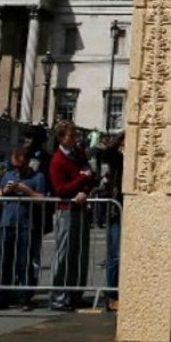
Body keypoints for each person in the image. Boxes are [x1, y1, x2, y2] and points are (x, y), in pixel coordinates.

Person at [0, 147, 48, 311]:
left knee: (25, 262)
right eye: (14, 166)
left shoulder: (38, 177)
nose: (17, 169)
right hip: (6, 223)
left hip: (26, 224)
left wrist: (25, 190)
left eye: (20, 166)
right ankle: (1, 296)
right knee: (3, 262)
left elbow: (42, 199)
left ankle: (25, 296)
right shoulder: (8, 175)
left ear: (28, 162)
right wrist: (5, 191)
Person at [47, 122, 95, 312]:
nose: (74, 138)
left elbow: (90, 175)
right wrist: (82, 179)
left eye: (75, 135)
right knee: (64, 253)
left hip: (80, 207)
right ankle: (58, 296)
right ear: (61, 138)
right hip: (66, 209)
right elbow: (60, 189)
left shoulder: (78, 155)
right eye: (70, 135)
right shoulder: (57, 160)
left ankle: (75, 294)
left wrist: (85, 189)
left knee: (80, 253)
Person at [93, 132, 124, 312]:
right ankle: (112, 294)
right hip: (116, 209)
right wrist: (120, 136)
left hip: (130, 209)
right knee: (115, 254)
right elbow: (107, 153)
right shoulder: (117, 157)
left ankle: (120, 291)